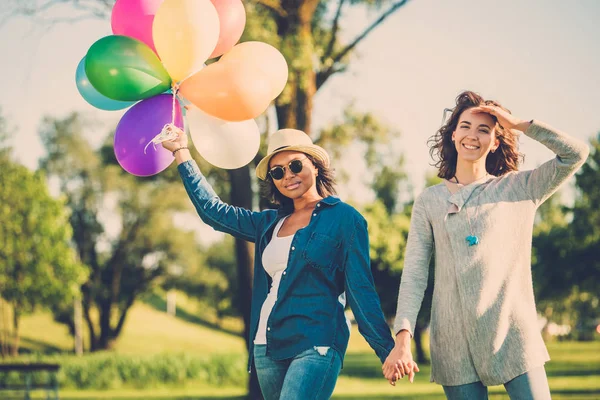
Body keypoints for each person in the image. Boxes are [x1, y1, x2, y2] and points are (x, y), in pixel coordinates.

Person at [382, 90, 589, 399]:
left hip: (513, 335)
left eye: (484, 129)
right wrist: (402, 340)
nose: (472, 135)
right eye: (465, 126)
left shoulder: (520, 188)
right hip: (453, 343)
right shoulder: (430, 201)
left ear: (495, 141)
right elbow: (414, 276)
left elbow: (576, 153)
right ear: (453, 135)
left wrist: (519, 124)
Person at [164, 128, 394, 399]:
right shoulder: (268, 223)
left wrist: (388, 350)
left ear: (316, 166)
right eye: (278, 172)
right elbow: (213, 211)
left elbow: (361, 290)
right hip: (267, 345)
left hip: (316, 342)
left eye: (295, 165)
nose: (288, 176)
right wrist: (181, 151)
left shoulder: (345, 219)